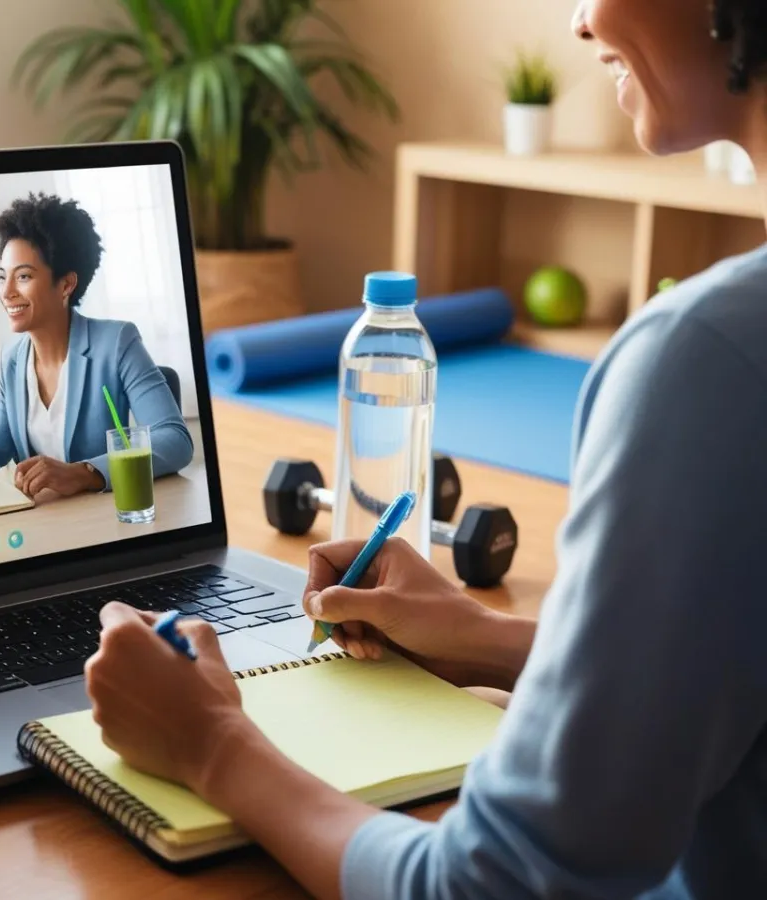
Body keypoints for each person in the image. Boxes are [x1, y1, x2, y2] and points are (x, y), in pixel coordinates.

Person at [82, 2, 767, 897]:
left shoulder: (709, 362)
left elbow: (490, 886)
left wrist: (213, 744)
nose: (580, 21)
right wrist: (488, 638)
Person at [0, 193, 193, 499]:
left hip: (105, 516)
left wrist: (84, 473)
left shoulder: (116, 343)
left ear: (66, 284)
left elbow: (175, 440)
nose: (7, 292)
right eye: (3, 277)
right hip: (48, 521)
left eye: (23, 276)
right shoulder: (12, 360)